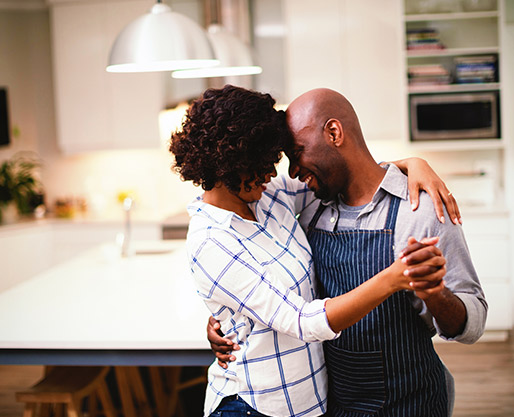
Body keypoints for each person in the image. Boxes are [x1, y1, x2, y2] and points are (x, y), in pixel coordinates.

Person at [171, 85, 457, 417]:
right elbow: (300, 320)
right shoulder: (211, 241)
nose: (272, 172)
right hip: (256, 406)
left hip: (310, 402)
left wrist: (411, 163)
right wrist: (393, 278)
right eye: (262, 163)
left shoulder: (269, 196)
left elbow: (343, 172)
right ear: (230, 164)